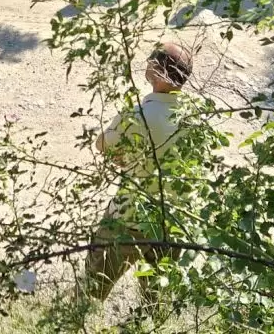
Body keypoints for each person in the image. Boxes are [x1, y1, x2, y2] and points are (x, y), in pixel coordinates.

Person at [83, 42, 194, 302]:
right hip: (171, 222)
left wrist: (129, 156)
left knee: (91, 291)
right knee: (155, 303)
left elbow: (103, 145)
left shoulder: (140, 115)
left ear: (157, 69)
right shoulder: (196, 115)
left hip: (128, 218)